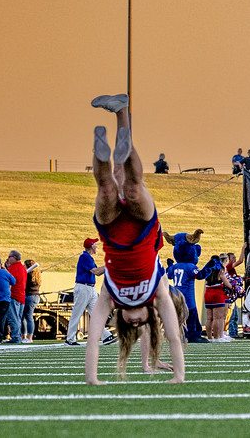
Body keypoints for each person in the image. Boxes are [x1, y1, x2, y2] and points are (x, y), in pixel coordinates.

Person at [85, 93, 186, 384]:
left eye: (132, 324)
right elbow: (175, 337)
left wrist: (93, 378)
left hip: (112, 233)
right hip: (143, 229)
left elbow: (93, 339)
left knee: (106, 188)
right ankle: (123, 132)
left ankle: (101, 145)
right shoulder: (159, 293)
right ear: (149, 315)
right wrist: (179, 376)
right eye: (142, 322)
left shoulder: (110, 296)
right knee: (132, 186)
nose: (136, 321)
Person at [203, 254, 234, 342]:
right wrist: (234, 285)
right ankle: (217, 337)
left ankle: (209, 337)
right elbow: (229, 285)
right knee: (218, 318)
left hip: (208, 294)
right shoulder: (220, 271)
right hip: (217, 294)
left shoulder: (208, 270)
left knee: (209, 318)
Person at [4, 250, 27, 344]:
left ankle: (16, 337)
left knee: (13, 318)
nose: (8, 259)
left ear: (14, 257)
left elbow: (8, 282)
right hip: (21, 296)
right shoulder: (22, 268)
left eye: (9, 257)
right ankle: (18, 336)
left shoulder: (13, 268)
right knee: (18, 318)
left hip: (14, 295)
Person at [23, 259, 41, 343]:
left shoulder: (28, 275)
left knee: (27, 317)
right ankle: (28, 336)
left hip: (29, 296)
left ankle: (28, 337)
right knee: (28, 317)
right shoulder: (37, 275)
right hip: (35, 297)